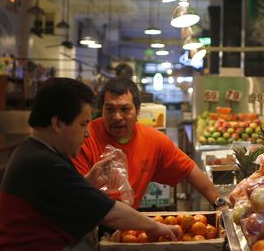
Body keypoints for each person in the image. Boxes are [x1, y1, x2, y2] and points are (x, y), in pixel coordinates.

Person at [0, 78, 179, 251]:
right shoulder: (42, 164)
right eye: (82, 125)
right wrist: (156, 227)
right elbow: (110, 213)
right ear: (57, 123)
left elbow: (64, 202)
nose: (89, 133)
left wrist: (86, 183)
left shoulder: (41, 154)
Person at [72, 77, 227, 210]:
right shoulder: (84, 138)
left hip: (127, 223)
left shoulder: (153, 140)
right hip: (88, 222)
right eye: (110, 109)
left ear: (138, 110)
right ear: (101, 110)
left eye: (125, 109)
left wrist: (219, 203)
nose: (117, 116)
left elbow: (190, 170)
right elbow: (74, 194)